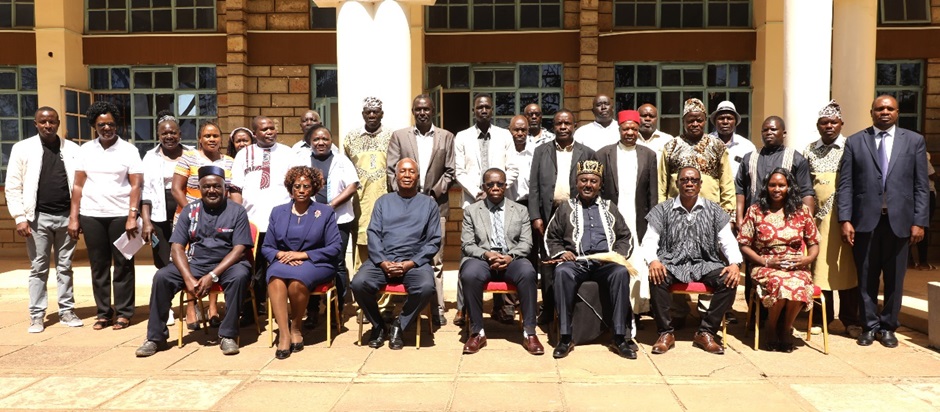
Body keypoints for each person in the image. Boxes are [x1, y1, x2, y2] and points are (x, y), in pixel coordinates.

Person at [837, 95, 930, 348]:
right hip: (864, 222)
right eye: (879, 109)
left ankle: (888, 327)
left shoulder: (914, 141)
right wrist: (845, 219)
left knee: (895, 279)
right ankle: (869, 326)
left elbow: (921, 186)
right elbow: (845, 185)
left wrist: (919, 221)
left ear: (897, 112)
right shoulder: (855, 142)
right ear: (872, 112)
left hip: (900, 223)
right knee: (866, 277)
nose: (885, 112)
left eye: (890, 108)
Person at [135, 165, 253, 357]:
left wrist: (212, 275)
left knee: (239, 276)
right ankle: (155, 337)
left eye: (217, 186)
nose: (212, 190)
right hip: (197, 262)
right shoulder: (190, 210)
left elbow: (239, 250)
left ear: (224, 188)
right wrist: (188, 278)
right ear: (199, 188)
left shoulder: (237, 211)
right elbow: (177, 247)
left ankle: (228, 335)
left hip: (228, 264)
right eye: (206, 187)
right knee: (162, 277)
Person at [642, 166, 743, 355]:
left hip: (705, 263)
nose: (689, 183)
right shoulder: (662, 210)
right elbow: (649, 240)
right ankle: (665, 333)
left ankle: (706, 332)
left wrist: (735, 264)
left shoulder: (714, 210)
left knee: (728, 280)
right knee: (657, 277)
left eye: (694, 180)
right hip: (672, 262)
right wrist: (653, 260)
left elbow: (728, 241)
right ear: (677, 183)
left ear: (700, 184)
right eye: (684, 180)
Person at [658, 98, 735, 327]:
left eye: (699, 120)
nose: (695, 124)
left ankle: (706, 312)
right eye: (690, 120)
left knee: (710, 260)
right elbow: (662, 184)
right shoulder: (671, 146)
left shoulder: (717, 146)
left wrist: (728, 216)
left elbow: (727, 182)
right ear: (683, 121)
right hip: (676, 216)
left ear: (704, 121)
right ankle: (678, 311)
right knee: (675, 258)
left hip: (710, 216)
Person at [546, 160, 635, 359]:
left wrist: (616, 256)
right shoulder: (565, 208)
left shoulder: (610, 207)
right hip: (576, 263)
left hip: (605, 264)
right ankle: (565, 337)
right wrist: (561, 253)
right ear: (576, 183)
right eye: (583, 180)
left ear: (600, 184)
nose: (588, 185)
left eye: (593, 181)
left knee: (620, 272)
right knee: (562, 272)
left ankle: (619, 337)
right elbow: (551, 237)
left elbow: (625, 237)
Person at [68, 101, 143, 331]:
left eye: (110, 124)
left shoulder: (129, 150)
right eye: (101, 124)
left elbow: (136, 185)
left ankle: (124, 312)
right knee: (98, 266)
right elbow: (78, 185)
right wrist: (74, 217)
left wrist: (132, 216)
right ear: (94, 125)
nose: (107, 128)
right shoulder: (85, 150)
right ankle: (103, 313)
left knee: (123, 264)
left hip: (120, 215)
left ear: (117, 124)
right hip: (91, 215)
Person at [5, 107, 82, 333]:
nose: (48, 125)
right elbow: (13, 186)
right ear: (35, 124)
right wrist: (20, 217)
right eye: (43, 122)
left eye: (52, 121)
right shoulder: (22, 148)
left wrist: (77, 217)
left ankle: (67, 311)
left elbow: (81, 185)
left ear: (58, 123)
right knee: (39, 267)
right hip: (37, 218)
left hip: (67, 216)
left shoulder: (73, 149)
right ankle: (37, 315)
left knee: (65, 267)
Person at [351, 158, 441, 350]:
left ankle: (400, 325)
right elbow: (373, 234)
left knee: (426, 287)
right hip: (383, 261)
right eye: (403, 171)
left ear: (418, 177)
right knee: (358, 284)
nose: (407, 175)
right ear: (395, 175)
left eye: (411, 172)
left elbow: (433, 241)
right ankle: (378, 325)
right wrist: (383, 262)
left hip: (414, 263)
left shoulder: (429, 204)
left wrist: (411, 263)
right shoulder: (383, 202)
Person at [386, 94, 456, 326]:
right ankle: (407, 304)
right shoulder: (399, 136)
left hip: (436, 206)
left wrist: (433, 193)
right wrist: (407, 195)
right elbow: (391, 171)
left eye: (426, 109)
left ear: (433, 111)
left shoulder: (446, 137)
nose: (422, 113)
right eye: (418, 109)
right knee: (406, 254)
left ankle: (437, 309)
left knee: (436, 260)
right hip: (405, 208)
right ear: (413, 112)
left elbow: (450, 171)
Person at [459, 168, 543, 355]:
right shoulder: (472, 211)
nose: (495, 187)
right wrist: (487, 255)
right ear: (484, 187)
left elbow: (526, 243)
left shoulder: (520, 210)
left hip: (511, 259)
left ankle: (530, 332)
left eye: (500, 184)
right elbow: (467, 244)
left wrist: (510, 257)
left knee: (528, 272)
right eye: (490, 184)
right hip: (482, 259)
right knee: (469, 274)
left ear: (506, 186)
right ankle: (477, 332)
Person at [263, 166, 343, 359]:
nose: (301, 190)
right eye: (297, 186)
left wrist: (302, 255)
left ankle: (296, 327)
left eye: (306, 186)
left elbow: (335, 247)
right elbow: (266, 247)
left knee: (297, 282)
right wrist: (281, 254)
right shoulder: (278, 212)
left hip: (317, 262)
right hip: (284, 260)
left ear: (313, 188)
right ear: (290, 188)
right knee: (275, 278)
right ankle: (284, 334)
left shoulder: (325, 212)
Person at [231, 116, 305, 322]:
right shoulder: (244, 154)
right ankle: (252, 311)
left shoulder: (288, 153)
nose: (270, 132)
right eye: (264, 129)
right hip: (251, 222)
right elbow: (235, 188)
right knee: (252, 269)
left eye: (272, 128)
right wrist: (239, 217)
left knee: (281, 266)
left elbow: (298, 187)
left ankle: (282, 311)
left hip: (282, 222)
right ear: (255, 134)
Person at [738, 169, 821, 352]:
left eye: (782, 185)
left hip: (796, 266)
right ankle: (771, 326)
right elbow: (743, 244)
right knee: (779, 282)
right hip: (765, 265)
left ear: (789, 187)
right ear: (766, 187)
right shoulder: (755, 211)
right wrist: (765, 262)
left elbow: (814, 242)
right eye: (772, 185)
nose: (777, 189)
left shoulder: (802, 211)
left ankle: (785, 328)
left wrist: (806, 259)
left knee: (798, 283)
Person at [529, 110, 596, 325]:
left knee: (574, 258)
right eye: (559, 123)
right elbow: (534, 187)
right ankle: (549, 308)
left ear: (574, 126)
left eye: (567, 123)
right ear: (554, 126)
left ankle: (572, 308)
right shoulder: (541, 151)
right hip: (548, 214)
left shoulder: (587, 152)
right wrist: (535, 216)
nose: (563, 127)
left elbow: (595, 186)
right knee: (548, 261)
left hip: (577, 213)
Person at [166, 120, 235, 329]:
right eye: (207, 136)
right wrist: (194, 213)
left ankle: (213, 307)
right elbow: (176, 189)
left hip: (219, 219)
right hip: (190, 218)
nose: (211, 139)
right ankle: (191, 306)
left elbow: (230, 192)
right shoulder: (188, 157)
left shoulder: (230, 162)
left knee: (215, 258)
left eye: (215, 136)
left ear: (221, 139)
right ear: (199, 139)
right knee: (189, 260)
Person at [452, 94, 513, 325]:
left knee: (499, 247)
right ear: (474, 111)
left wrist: (497, 190)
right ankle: (462, 307)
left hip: (499, 202)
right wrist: (478, 192)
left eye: (487, 107)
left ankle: (499, 306)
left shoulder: (504, 135)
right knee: (468, 253)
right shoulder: (462, 136)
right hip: (474, 202)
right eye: (480, 107)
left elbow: (512, 168)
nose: (484, 110)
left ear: (492, 110)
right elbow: (458, 170)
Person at [596, 109, 658, 331]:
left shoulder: (649, 155)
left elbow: (652, 194)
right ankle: (612, 312)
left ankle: (634, 313)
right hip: (611, 220)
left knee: (636, 265)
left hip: (638, 220)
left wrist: (653, 223)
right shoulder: (603, 154)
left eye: (633, 128)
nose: (630, 132)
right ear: (619, 129)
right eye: (626, 128)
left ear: (638, 129)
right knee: (614, 264)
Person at [803, 100, 860, 336]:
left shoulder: (851, 147)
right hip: (817, 219)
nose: (829, 126)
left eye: (833, 122)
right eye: (824, 123)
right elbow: (805, 185)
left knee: (847, 268)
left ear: (841, 124)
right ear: (818, 125)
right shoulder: (809, 150)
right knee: (819, 267)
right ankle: (820, 318)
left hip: (844, 218)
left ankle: (850, 320)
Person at [302, 125, 359, 329]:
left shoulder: (342, 160)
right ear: (310, 142)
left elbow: (353, 186)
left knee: (338, 263)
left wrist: (330, 206)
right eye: (316, 139)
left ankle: (337, 310)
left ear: (331, 140)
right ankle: (312, 311)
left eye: (325, 139)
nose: (321, 142)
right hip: (309, 220)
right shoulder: (302, 160)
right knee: (310, 262)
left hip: (339, 220)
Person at [735, 116, 815, 228]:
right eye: (765, 130)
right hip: (754, 223)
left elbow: (806, 193)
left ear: (784, 133)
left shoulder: (797, 159)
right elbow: (740, 190)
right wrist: (739, 219)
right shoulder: (749, 159)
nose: (769, 132)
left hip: (787, 224)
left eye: (773, 129)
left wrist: (807, 223)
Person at [343, 97, 394, 268]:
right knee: (361, 242)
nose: (372, 115)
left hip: (386, 199)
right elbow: (346, 169)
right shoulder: (351, 138)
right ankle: (361, 280)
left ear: (382, 114)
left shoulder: (392, 137)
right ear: (363, 114)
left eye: (375, 112)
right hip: (360, 201)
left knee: (387, 242)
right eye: (368, 112)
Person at [709, 101, 756, 178]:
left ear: (735, 122)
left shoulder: (747, 146)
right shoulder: (706, 143)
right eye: (721, 118)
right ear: (715, 122)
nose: (725, 122)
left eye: (729, 118)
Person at [913, 151, 936, 270]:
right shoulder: (921, 154)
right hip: (926, 193)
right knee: (923, 227)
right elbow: (932, 174)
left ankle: (910, 261)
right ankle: (923, 261)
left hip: (912, 193)